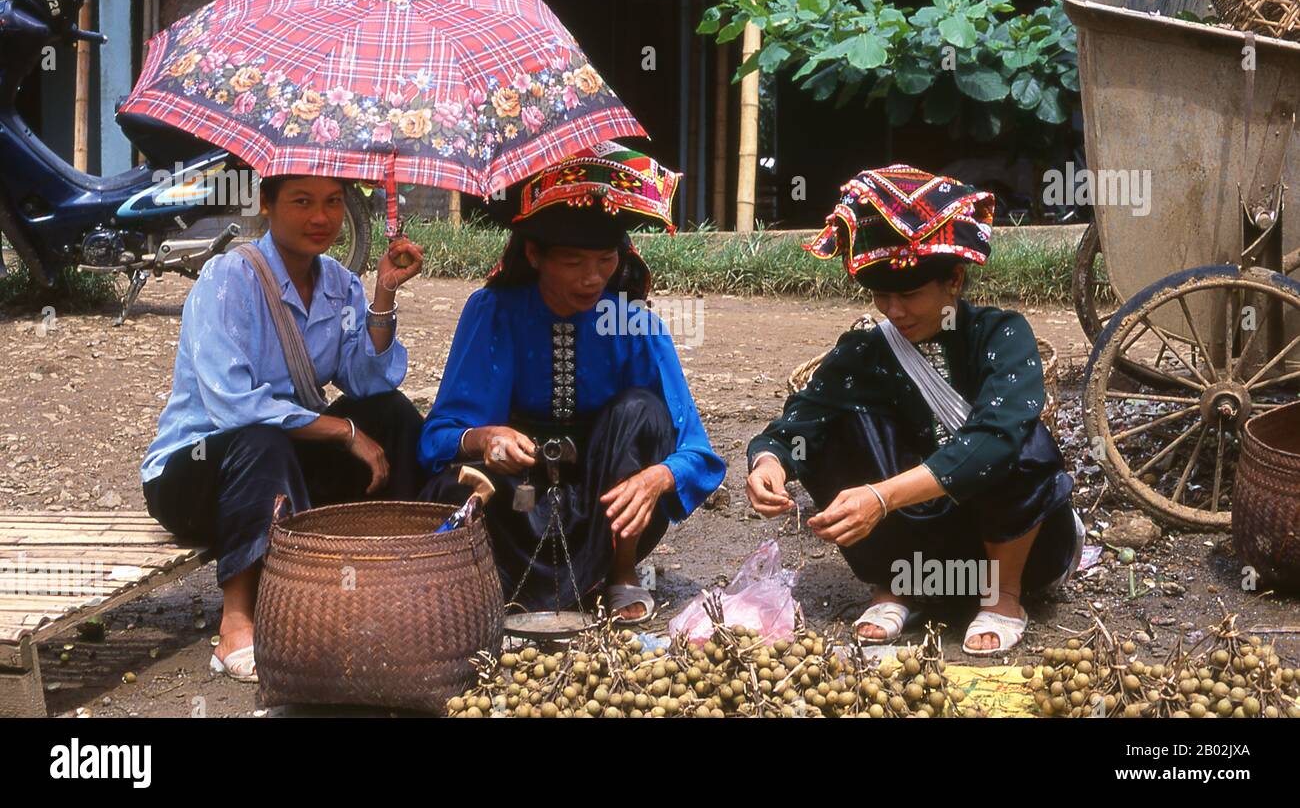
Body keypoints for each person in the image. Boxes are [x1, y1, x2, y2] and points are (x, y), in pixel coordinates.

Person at [745, 165, 1082, 656]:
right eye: (881, 296)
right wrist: (769, 461)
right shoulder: (864, 351)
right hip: (921, 544)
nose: (894, 311)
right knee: (838, 426)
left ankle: (1003, 596)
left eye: (908, 294)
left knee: (1023, 443)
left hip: (1020, 550)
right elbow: (799, 422)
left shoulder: (1002, 334)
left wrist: (881, 498)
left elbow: (995, 440)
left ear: (954, 280)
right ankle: (899, 583)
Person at [418, 143, 725, 623]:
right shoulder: (492, 312)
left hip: (606, 510)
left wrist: (656, 477)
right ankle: (503, 583)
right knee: (452, 483)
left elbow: (699, 454)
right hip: (519, 507)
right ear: (535, 255)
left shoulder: (634, 324)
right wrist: (486, 438)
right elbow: (436, 439)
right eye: (573, 263)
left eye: (604, 261)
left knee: (642, 411)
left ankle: (620, 575)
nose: (592, 279)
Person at [140, 174, 426, 682]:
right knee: (260, 437)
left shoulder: (339, 284)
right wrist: (343, 432)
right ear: (267, 205)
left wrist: (382, 292)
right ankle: (236, 622)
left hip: (280, 469)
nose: (321, 217)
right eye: (302, 202)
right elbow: (235, 407)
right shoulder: (227, 279)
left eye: (333, 202)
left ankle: (398, 582)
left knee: (392, 414)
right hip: (196, 477)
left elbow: (367, 380)